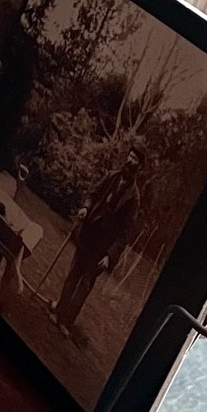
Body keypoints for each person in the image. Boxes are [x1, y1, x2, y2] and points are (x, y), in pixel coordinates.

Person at [54, 143, 144, 334]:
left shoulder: (134, 198)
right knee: (73, 274)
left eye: (135, 159)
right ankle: (59, 310)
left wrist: (110, 256)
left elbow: (125, 233)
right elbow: (93, 194)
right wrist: (86, 207)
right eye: (129, 156)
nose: (129, 160)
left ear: (139, 166)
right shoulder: (112, 175)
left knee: (85, 283)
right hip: (89, 234)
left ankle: (66, 321)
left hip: (103, 248)